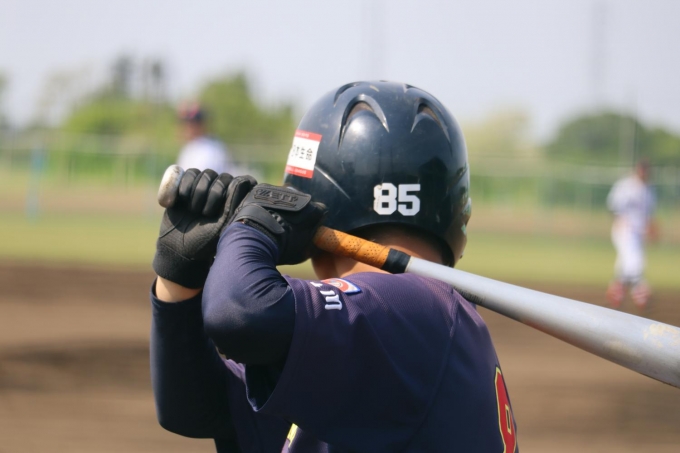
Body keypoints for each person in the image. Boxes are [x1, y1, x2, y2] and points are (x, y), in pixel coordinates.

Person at [150, 81, 518, 452]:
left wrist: (251, 227)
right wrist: (179, 275)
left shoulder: (414, 307)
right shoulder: (417, 329)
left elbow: (240, 313)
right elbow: (194, 408)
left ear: (311, 207)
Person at [606, 159, 658, 310]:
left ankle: (616, 293)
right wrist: (619, 221)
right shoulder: (625, 186)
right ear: (637, 170)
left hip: (638, 233)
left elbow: (649, 214)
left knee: (625, 264)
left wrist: (650, 228)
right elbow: (613, 206)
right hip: (625, 230)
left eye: (646, 170)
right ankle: (640, 294)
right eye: (642, 170)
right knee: (635, 263)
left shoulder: (649, 190)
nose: (643, 173)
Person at [176, 102, 233, 174]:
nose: (187, 127)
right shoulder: (188, 147)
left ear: (201, 124)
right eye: (186, 122)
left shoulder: (211, 149)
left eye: (191, 123)